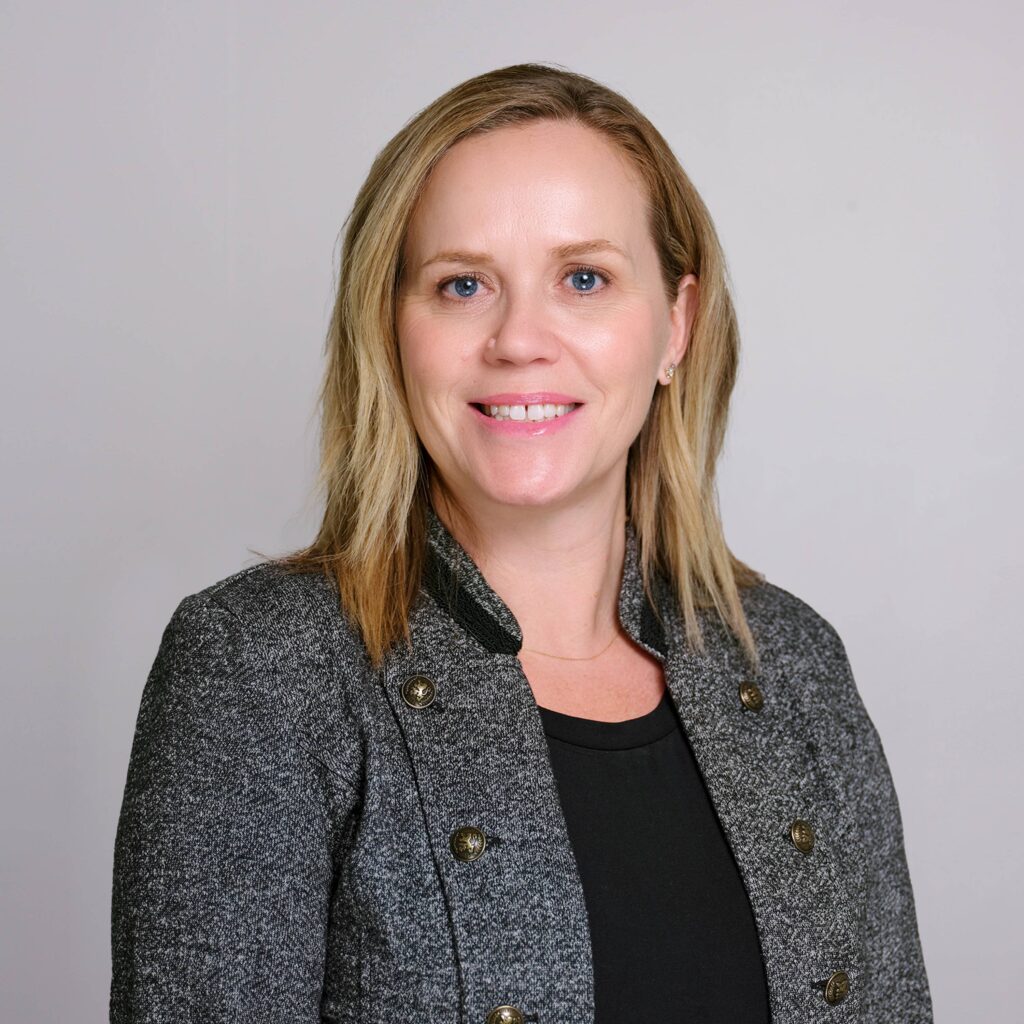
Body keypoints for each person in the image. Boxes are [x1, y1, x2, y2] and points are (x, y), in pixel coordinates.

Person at [109, 63, 933, 1023]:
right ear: (391, 328)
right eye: (462, 285)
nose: (519, 339)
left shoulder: (794, 665)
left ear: (677, 324)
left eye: (584, 279)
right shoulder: (260, 669)